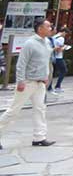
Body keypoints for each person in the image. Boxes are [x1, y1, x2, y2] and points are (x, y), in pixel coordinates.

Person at [0, 18, 56, 149]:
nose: (51, 29)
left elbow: (45, 61)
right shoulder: (30, 43)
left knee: (40, 109)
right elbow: (21, 64)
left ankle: (39, 137)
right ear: (40, 29)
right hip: (28, 82)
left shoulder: (47, 42)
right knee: (13, 110)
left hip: (40, 83)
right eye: (48, 26)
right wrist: (20, 81)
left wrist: (46, 76)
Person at [48, 26, 69, 94]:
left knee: (52, 72)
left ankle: (49, 86)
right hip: (58, 57)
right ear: (64, 32)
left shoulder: (54, 37)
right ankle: (57, 86)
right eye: (66, 33)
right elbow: (59, 49)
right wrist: (65, 47)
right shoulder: (61, 38)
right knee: (64, 70)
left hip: (52, 57)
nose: (65, 35)